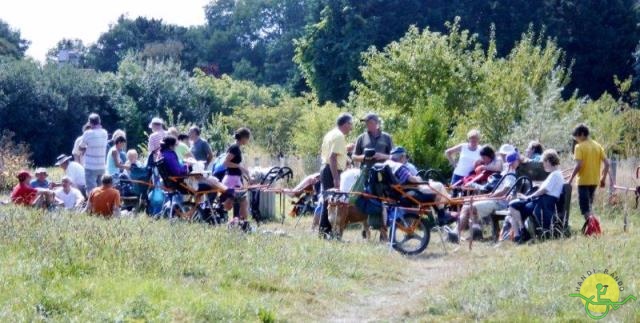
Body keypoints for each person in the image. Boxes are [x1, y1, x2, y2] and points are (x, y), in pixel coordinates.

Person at [454, 151, 521, 239]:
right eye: (517, 160)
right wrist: (491, 195)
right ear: (514, 162)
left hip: (500, 202)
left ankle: (455, 234)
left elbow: (505, 190)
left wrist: (491, 195)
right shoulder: (507, 172)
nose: (518, 162)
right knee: (467, 203)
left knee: (468, 207)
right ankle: (475, 231)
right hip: (496, 200)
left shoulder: (510, 175)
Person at [508, 149, 564, 243]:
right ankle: (521, 234)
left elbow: (544, 190)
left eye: (544, 162)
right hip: (543, 202)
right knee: (513, 208)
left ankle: (522, 233)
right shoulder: (556, 174)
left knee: (513, 207)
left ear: (548, 161)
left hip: (543, 203)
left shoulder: (555, 175)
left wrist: (528, 197)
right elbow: (545, 188)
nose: (543, 164)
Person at [319, 113, 354, 237]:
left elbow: (332, 153)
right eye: (351, 124)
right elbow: (332, 157)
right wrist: (336, 178)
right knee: (331, 202)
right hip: (332, 170)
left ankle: (324, 232)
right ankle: (325, 233)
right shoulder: (339, 136)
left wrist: (345, 149)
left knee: (328, 201)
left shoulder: (331, 134)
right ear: (345, 124)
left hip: (326, 169)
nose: (351, 128)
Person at [567, 124, 610, 219]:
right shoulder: (597, 146)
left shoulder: (579, 147)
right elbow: (607, 163)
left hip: (583, 181)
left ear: (582, 134)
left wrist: (570, 179)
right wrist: (603, 179)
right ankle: (593, 228)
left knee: (585, 208)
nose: (576, 139)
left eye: (576, 136)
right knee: (589, 206)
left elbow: (579, 165)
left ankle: (594, 229)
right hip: (594, 181)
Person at [223, 128, 252, 226]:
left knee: (239, 203)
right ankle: (243, 224)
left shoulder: (236, 147)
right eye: (248, 138)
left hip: (234, 178)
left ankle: (238, 223)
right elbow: (226, 163)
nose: (248, 141)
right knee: (243, 202)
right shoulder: (235, 148)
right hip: (231, 179)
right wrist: (239, 166)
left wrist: (245, 172)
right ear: (243, 138)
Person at [81, 113, 108, 194]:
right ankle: (100, 204)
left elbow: (81, 146)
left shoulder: (87, 133)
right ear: (99, 121)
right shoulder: (104, 132)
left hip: (90, 166)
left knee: (91, 189)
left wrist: (86, 147)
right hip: (101, 165)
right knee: (101, 188)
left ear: (90, 122)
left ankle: (92, 206)